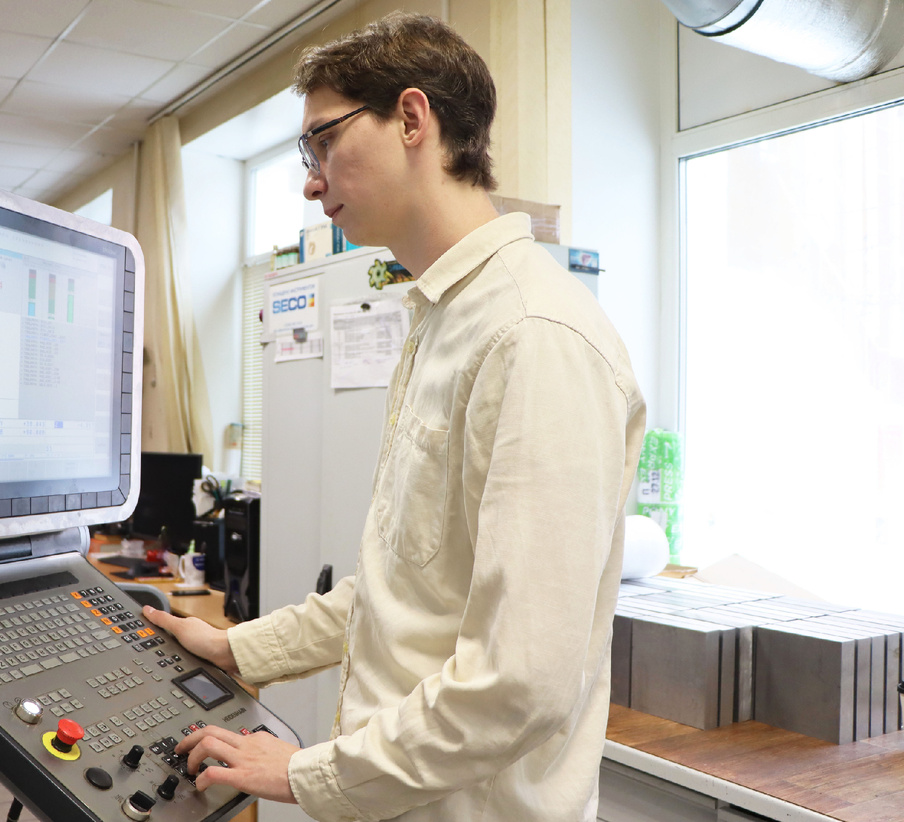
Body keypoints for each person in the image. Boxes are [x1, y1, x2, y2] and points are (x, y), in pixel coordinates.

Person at [142, 12, 646, 821]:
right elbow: (404, 592)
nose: (311, 182)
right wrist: (237, 646)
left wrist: (305, 774)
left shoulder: (535, 334)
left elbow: (520, 681)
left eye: (322, 142)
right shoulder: (443, 321)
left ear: (413, 119)